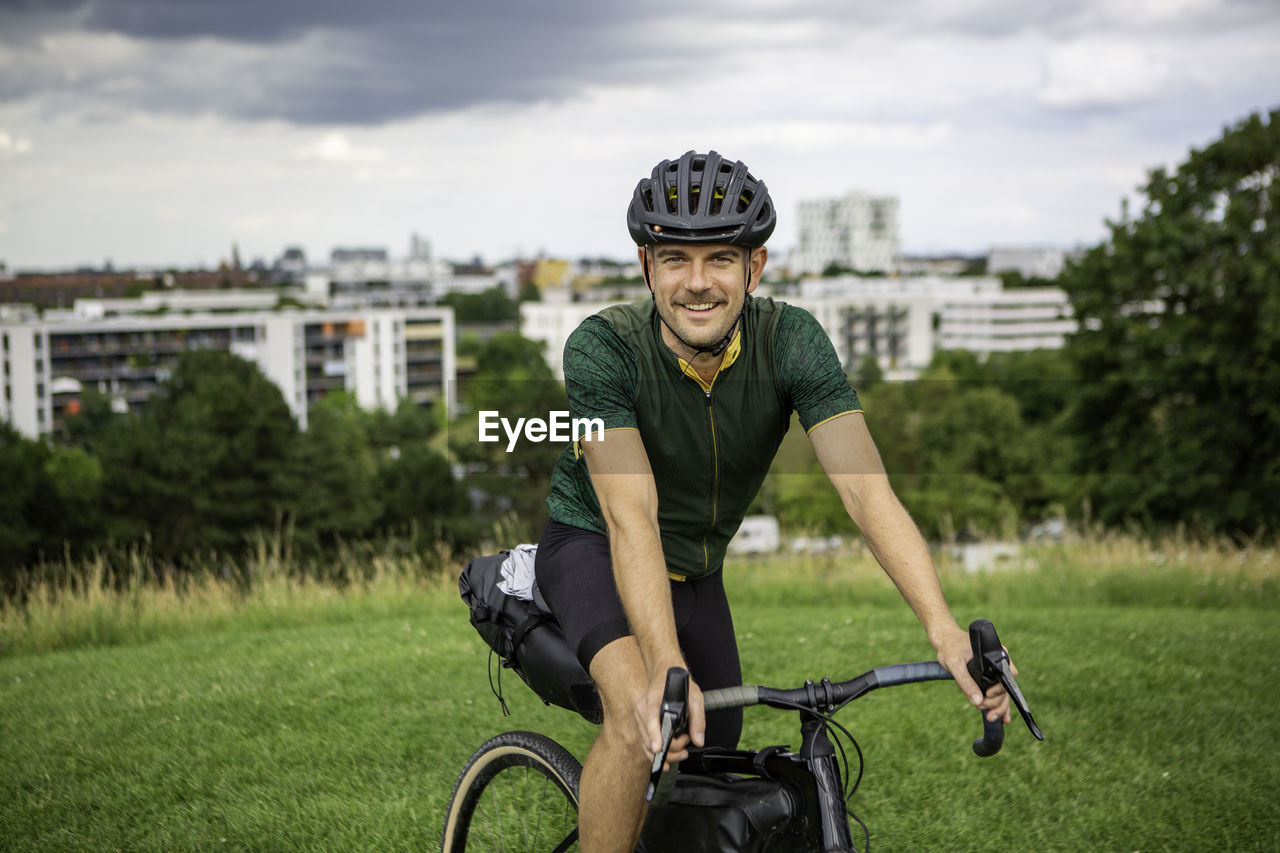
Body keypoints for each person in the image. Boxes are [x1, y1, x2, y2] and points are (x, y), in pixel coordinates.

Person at [533, 150, 1015, 853]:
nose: (697, 283)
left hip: (695, 568)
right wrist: (666, 666)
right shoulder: (602, 349)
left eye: (720, 259)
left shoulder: (792, 342)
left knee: (711, 750)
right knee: (642, 719)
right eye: (675, 260)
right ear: (647, 268)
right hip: (594, 547)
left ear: (754, 269)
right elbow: (629, 515)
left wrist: (943, 631)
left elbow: (865, 491)